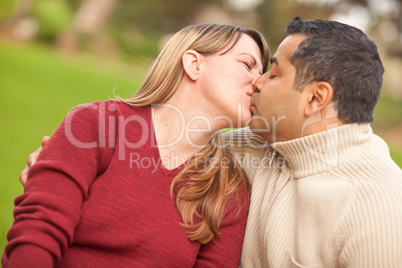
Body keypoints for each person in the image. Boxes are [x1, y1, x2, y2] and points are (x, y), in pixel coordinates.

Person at [2, 23, 269, 267]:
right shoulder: (96, 124)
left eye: (263, 72)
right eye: (248, 65)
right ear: (194, 64)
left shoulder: (230, 188)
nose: (259, 82)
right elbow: (37, 234)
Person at [225, 17, 402, 267]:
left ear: (315, 99)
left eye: (273, 74)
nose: (258, 81)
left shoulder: (378, 209)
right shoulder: (257, 145)